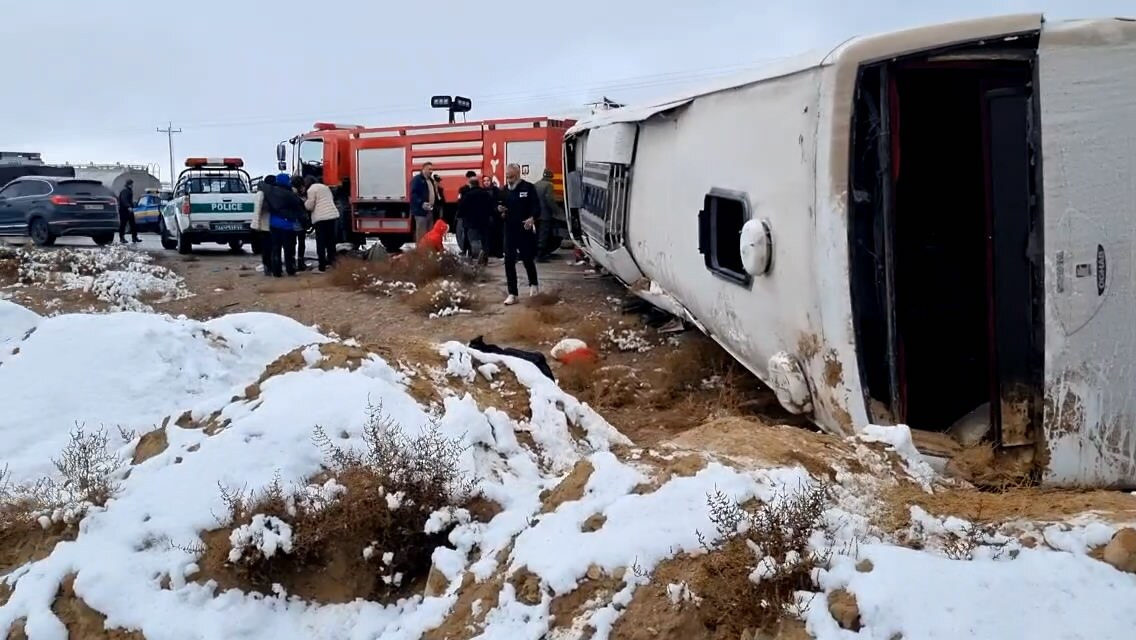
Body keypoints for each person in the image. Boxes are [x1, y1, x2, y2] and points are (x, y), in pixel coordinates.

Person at [497, 163, 541, 305]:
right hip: (509, 230)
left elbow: (536, 207)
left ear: (518, 175)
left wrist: (532, 218)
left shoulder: (528, 188)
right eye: (507, 177)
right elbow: (498, 207)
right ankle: (512, 293)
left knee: (527, 259)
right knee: (509, 261)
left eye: (512, 177)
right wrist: (499, 210)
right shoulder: (504, 190)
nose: (509, 180)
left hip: (524, 229)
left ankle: (533, 285)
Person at [264, 173, 305, 276]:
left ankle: (277, 271)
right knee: (289, 249)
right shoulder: (290, 194)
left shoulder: (270, 193)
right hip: (287, 225)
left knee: (275, 249)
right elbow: (298, 208)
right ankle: (290, 269)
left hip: (273, 224)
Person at [304, 176, 339, 271]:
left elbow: (310, 206)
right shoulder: (325, 187)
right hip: (332, 215)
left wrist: (304, 203)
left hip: (321, 218)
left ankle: (322, 266)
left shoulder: (311, 190)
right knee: (331, 241)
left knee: (321, 243)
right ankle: (333, 262)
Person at [459, 173, 494, 267]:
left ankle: (476, 258)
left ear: (470, 184)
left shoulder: (467, 195)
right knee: (484, 240)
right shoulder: (486, 194)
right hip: (484, 221)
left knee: (473, 240)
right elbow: (491, 207)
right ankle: (484, 258)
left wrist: (461, 217)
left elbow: (462, 209)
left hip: (471, 223)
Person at [250, 175, 276, 275]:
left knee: (267, 248)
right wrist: (256, 225)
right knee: (269, 248)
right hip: (268, 225)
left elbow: (257, 210)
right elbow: (258, 210)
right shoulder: (270, 193)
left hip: (265, 226)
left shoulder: (261, 193)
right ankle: (269, 267)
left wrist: (255, 226)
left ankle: (268, 267)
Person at [533, 168, 560, 261]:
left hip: (536, 214)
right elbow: (549, 200)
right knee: (543, 234)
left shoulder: (536, 184)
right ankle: (540, 256)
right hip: (545, 215)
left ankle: (536, 253)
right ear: (551, 177)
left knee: (537, 234)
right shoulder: (549, 185)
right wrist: (557, 211)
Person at [409, 162, 437, 244]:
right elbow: (413, 194)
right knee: (421, 234)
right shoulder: (417, 180)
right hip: (420, 212)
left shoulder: (430, 180)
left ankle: (428, 251)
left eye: (432, 169)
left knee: (429, 234)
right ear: (423, 169)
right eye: (429, 169)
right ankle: (420, 253)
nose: (431, 171)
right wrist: (421, 203)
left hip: (430, 211)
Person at [117, 179, 141, 244]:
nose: (133, 185)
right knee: (123, 224)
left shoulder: (129, 190)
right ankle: (122, 238)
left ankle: (134, 237)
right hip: (124, 210)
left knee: (133, 224)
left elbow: (129, 200)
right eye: (132, 184)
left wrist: (133, 205)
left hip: (128, 210)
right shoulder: (125, 191)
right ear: (129, 184)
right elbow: (124, 200)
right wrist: (128, 206)